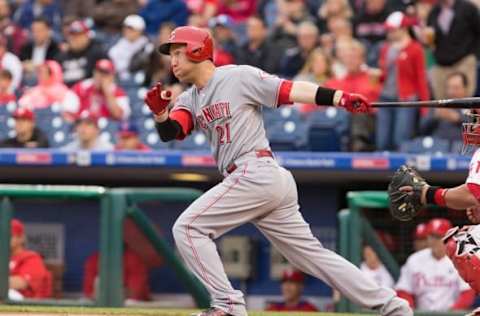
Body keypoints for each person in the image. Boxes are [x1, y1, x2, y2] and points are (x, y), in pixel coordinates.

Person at [144, 25, 411, 316]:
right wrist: (160, 116)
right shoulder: (190, 98)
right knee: (313, 257)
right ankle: (393, 306)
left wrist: (339, 97)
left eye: (180, 53)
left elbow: (290, 90)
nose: (173, 61)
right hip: (257, 179)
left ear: (199, 51)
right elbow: (173, 131)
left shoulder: (237, 76)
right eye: (172, 55)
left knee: (188, 228)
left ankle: (228, 305)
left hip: (256, 171)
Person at [375, 11, 429, 151]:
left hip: (406, 99)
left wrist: (425, 106)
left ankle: (401, 172)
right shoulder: (386, 48)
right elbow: (384, 75)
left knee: (400, 140)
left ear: (403, 29)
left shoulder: (415, 49)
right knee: (382, 140)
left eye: (392, 30)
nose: (389, 33)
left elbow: (421, 78)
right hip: (385, 97)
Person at [395, 218, 475, 311]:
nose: (434, 241)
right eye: (431, 236)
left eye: (439, 237)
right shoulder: (415, 260)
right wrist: (410, 311)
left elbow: (467, 293)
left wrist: (451, 313)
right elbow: (404, 290)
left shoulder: (460, 259)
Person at [424, 0, 480, 99]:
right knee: (441, 103)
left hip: (464, 61)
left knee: (465, 101)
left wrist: (474, 56)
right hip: (441, 64)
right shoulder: (434, 12)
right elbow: (430, 41)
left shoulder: (467, 8)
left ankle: (466, 115)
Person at [83, 245, 150, 301]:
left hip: (134, 306)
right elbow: (89, 293)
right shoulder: (94, 260)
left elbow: (136, 294)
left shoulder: (133, 259)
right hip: (101, 305)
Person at [419, 72, 468, 144]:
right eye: (449, 88)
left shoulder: (472, 108)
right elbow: (421, 129)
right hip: (437, 147)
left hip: (461, 150)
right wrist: (434, 117)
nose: (451, 92)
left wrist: (458, 118)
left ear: (465, 89)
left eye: (456, 88)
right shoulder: (439, 106)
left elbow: (476, 131)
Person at [9, 218, 52, 300]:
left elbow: (21, 283)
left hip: (29, 306)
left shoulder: (32, 258)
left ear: (21, 238)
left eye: (9, 236)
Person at [56, 20, 107, 87]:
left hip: (88, 93)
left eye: (79, 35)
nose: (76, 38)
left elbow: (107, 75)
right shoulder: (61, 56)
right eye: (73, 35)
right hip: (65, 94)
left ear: (87, 36)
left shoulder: (97, 54)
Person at [108, 15, 152, 81]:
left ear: (140, 31)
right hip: (117, 78)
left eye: (131, 29)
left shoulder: (148, 46)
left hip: (138, 80)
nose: (127, 31)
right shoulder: (118, 42)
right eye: (125, 28)